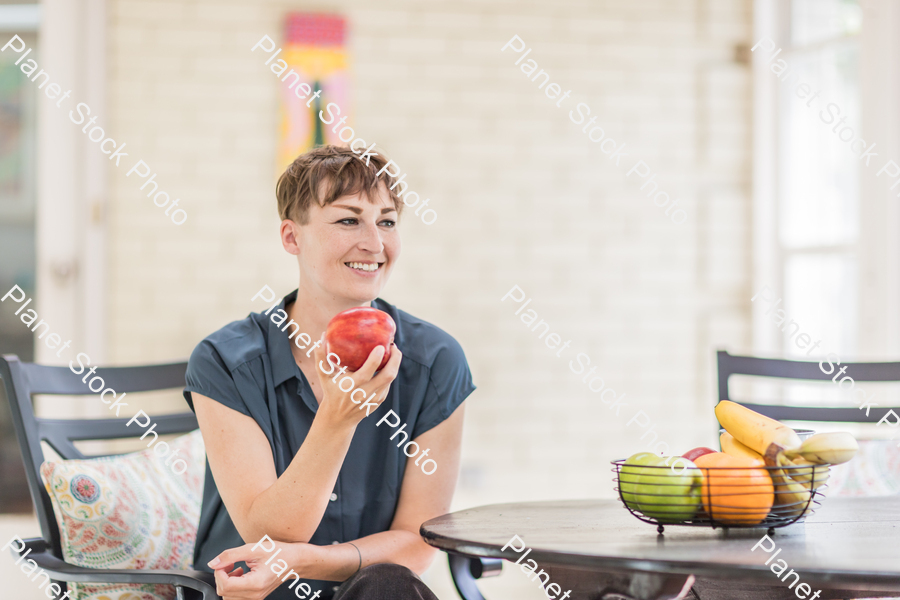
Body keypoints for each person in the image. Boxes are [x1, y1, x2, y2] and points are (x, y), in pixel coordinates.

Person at [182, 145, 474, 600]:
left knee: (388, 584)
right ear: (291, 237)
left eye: (388, 221)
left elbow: (416, 545)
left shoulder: (435, 361)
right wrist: (337, 419)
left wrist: (304, 562)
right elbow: (271, 533)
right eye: (348, 219)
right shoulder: (225, 361)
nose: (375, 244)